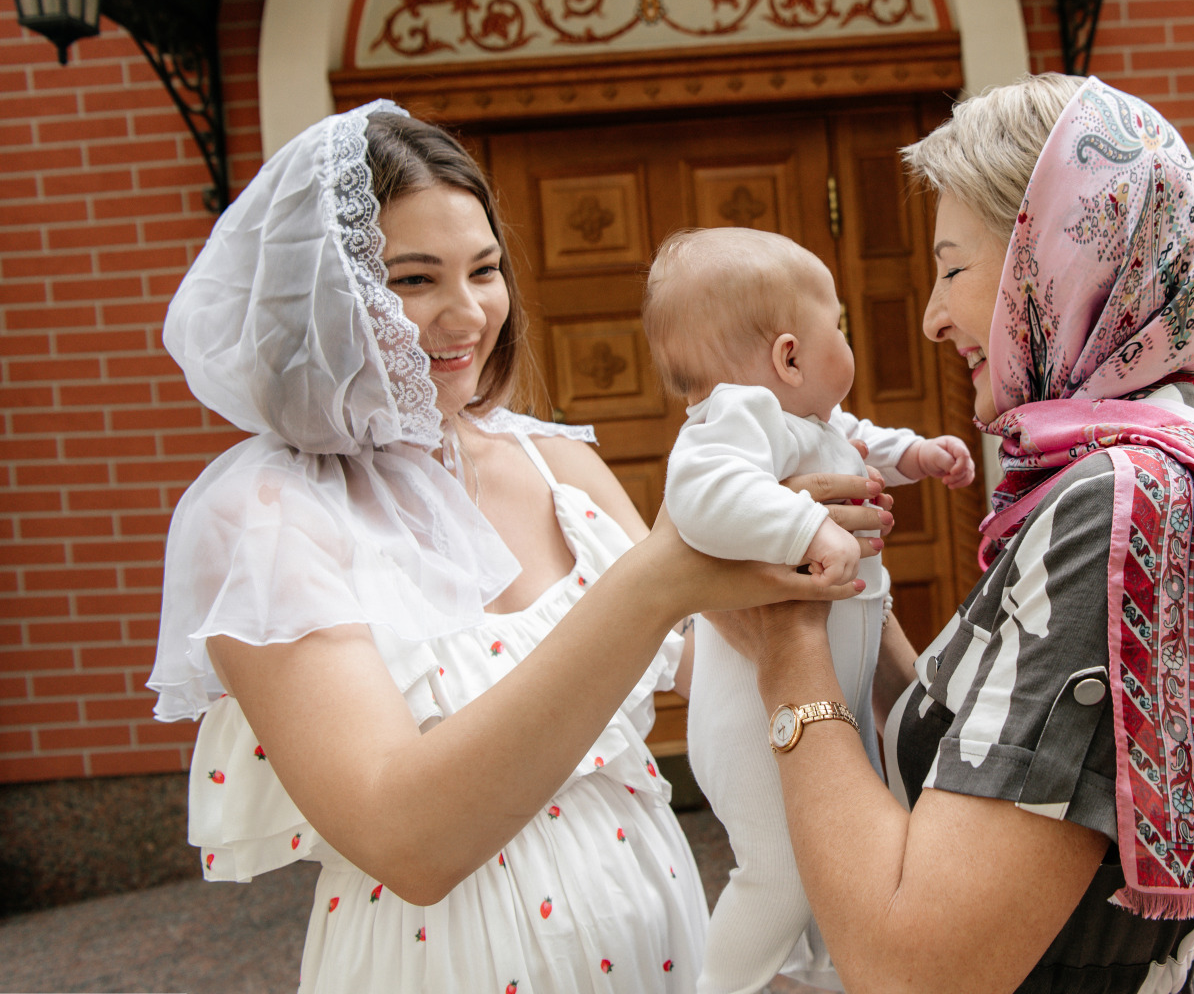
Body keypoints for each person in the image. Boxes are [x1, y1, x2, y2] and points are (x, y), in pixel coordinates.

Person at [145, 102, 878, 994]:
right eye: (414, 280)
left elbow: (723, 664)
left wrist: (816, 572)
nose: (467, 314)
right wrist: (657, 581)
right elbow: (406, 842)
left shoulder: (557, 461)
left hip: (659, 935)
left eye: (484, 270)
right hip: (447, 963)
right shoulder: (263, 517)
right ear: (321, 294)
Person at [704, 75, 1194, 993]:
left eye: (954, 267)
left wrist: (784, 640)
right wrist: (839, 588)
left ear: (1058, 260)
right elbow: (989, 740)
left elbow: (915, 969)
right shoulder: (1172, 468)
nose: (930, 314)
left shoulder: (1119, 505)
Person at [643, 227, 974, 994]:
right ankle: (724, 984)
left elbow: (861, 443)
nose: (846, 339)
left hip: (835, 696)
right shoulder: (735, 418)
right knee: (783, 872)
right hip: (753, 720)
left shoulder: (816, 424)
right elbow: (700, 497)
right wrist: (805, 527)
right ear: (789, 356)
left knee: (846, 853)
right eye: (840, 327)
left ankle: (819, 973)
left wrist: (915, 455)